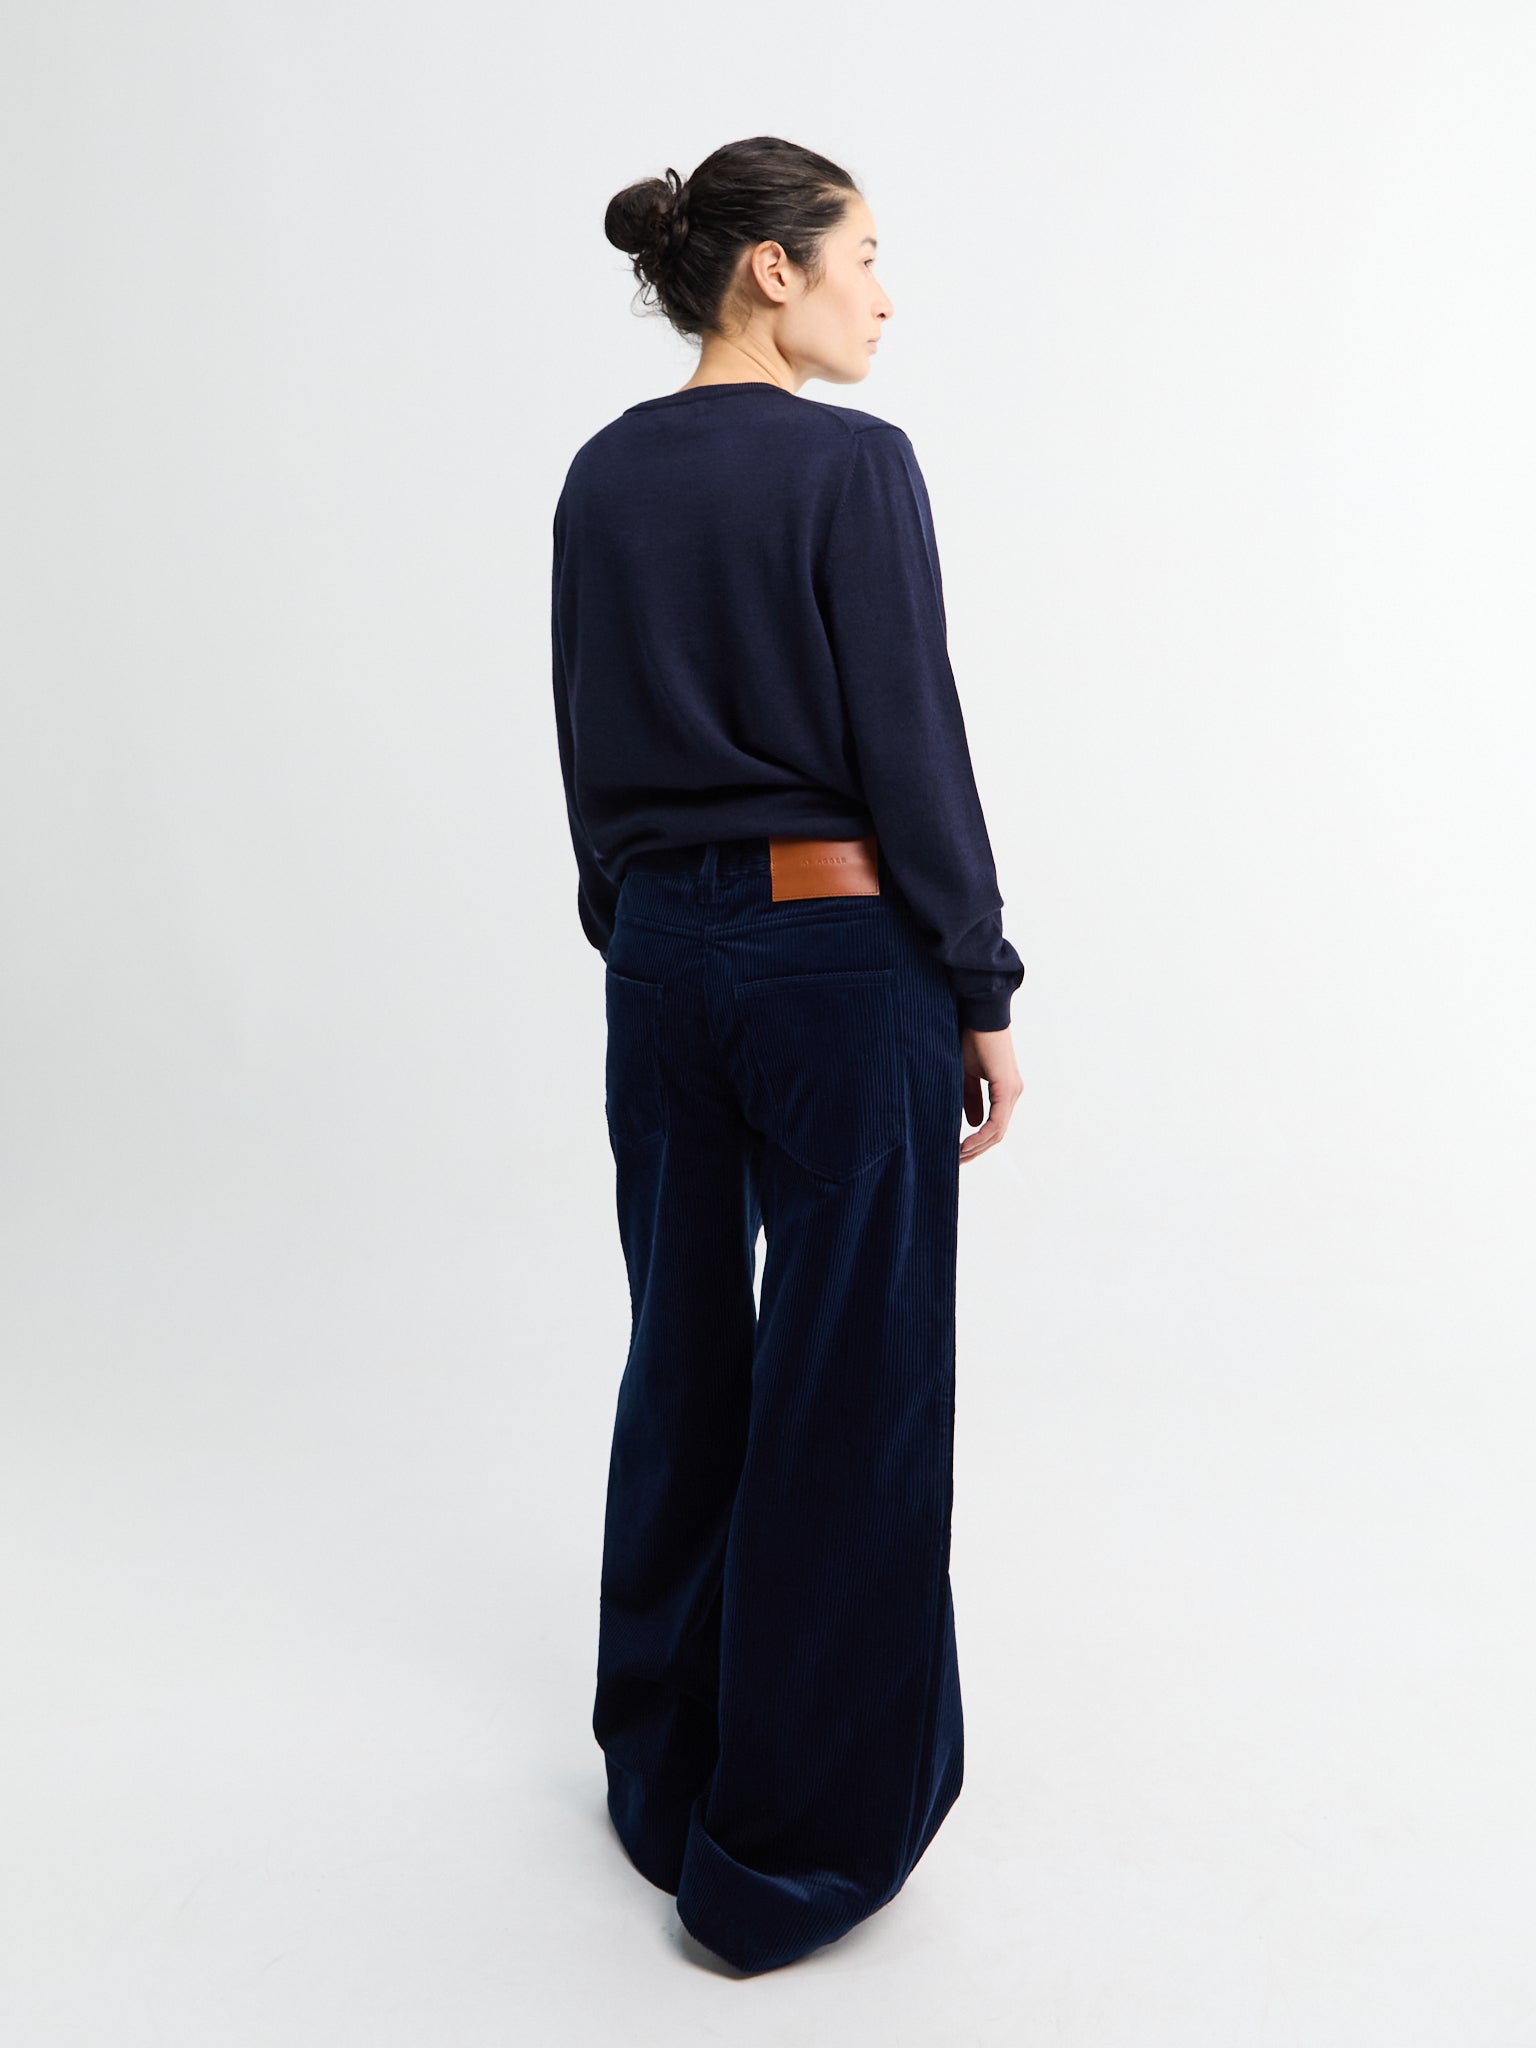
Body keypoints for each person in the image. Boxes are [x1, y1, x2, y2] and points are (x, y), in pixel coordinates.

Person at [549, 135, 1026, 1974]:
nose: (884, 296)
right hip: (841, 962)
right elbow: (913, 742)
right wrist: (977, 982)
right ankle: (788, 1857)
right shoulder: (853, 466)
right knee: (854, 1386)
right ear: (772, 269)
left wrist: (653, 936)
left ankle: (666, 1783)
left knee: (685, 1359)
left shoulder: (603, 474)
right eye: (865, 255)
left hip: (662, 962)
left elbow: (587, 746)